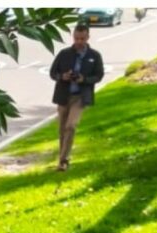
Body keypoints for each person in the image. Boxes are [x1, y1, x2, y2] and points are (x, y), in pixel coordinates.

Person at [50, 24, 105, 173]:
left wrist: (84, 79)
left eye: (82, 38)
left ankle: (63, 160)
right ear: (73, 37)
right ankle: (62, 159)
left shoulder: (94, 56)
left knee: (71, 126)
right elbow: (53, 72)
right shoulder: (64, 54)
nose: (79, 41)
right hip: (63, 95)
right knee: (62, 129)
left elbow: (99, 76)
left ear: (87, 38)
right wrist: (63, 76)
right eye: (76, 38)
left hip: (80, 97)